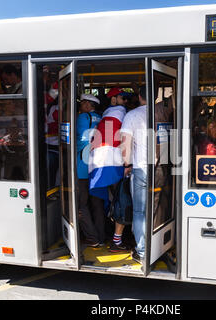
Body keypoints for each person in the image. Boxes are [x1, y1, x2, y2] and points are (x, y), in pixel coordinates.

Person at [89, 87, 128, 253]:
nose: (125, 101)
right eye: (122, 98)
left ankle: (106, 235)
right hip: (112, 160)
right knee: (119, 200)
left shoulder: (106, 114)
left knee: (110, 199)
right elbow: (121, 138)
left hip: (99, 160)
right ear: (114, 99)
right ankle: (117, 239)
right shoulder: (119, 112)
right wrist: (126, 163)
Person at [120, 86, 148, 264]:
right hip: (161, 169)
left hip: (140, 168)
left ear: (139, 96)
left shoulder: (131, 115)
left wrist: (127, 164)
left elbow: (125, 144)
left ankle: (143, 251)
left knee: (139, 212)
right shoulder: (161, 112)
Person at [76, 94, 105, 247]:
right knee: (97, 203)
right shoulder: (100, 118)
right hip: (97, 166)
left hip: (82, 166)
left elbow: (81, 141)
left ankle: (92, 238)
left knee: (82, 204)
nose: (80, 106)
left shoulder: (82, 117)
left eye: (82, 103)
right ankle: (101, 235)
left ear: (88, 104)